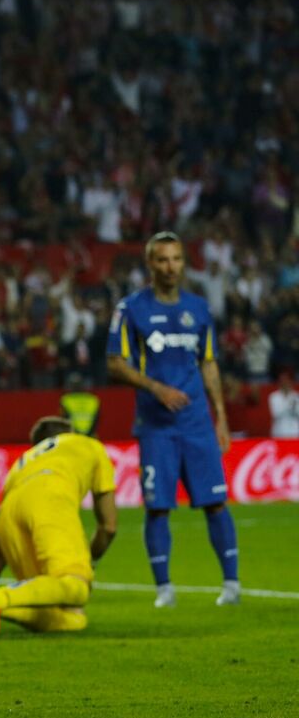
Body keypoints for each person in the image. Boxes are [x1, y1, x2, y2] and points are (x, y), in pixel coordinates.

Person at [106, 231, 240, 609]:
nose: (171, 267)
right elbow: (114, 363)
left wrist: (221, 417)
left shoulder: (199, 309)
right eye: (163, 260)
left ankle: (232, 584)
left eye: (177, 259)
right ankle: (164, 588)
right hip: (156, 426)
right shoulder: (131, 309)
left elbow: (208, 363)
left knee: (216, 502)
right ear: (150, 264)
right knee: (158, 506)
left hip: (197, 423)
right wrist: (156, 388)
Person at [0, 416, 118, 637]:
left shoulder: (21, 464)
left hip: (10, 513)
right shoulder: (87, 444)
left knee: (73, 617)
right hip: (50, 497)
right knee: (77, 587)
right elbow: (109, 527)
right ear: (68, 433)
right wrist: (87, 565)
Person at [269, 372, 299, 439]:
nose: (285, 384)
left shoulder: (296, 396)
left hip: (294, 431)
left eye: (287, 381)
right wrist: (290, 404)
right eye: (283, 382)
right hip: (279, 431)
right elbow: (276, 414)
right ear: (280, 383)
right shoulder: (274, 396)